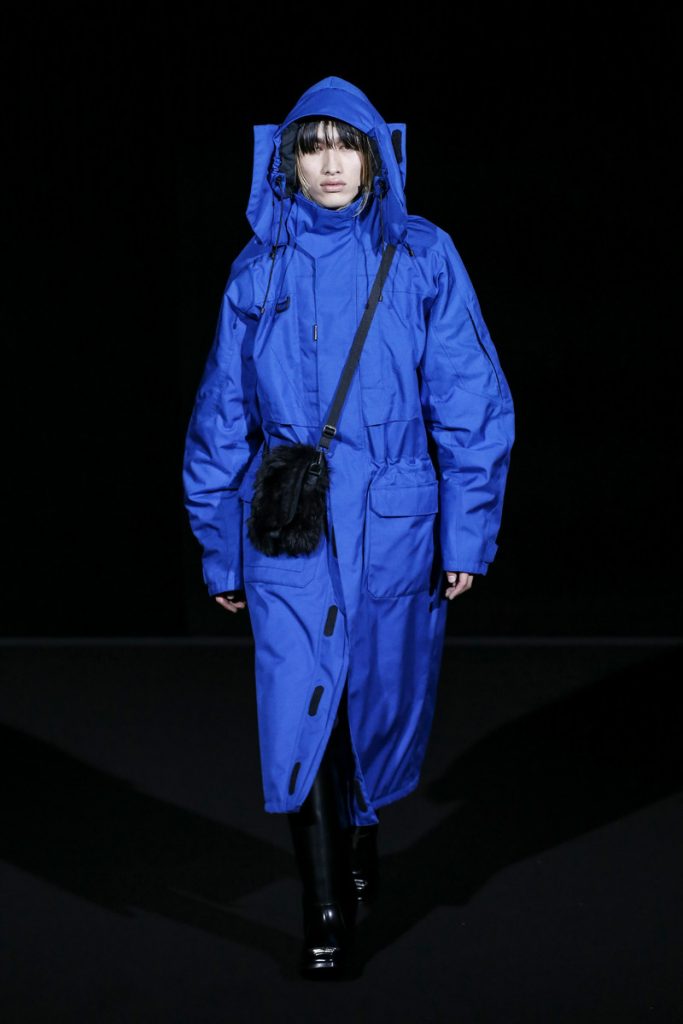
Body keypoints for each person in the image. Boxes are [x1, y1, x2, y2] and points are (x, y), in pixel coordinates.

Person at [182, 75, 515, 977]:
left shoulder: (421, 256)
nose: (330, 164)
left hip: (392, 522)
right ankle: (324, 907)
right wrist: (218, 544)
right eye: (311, 145)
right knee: (300, 700)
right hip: (288, 525)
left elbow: (471, 403)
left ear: (375, 155)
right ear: (284, 160)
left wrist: (466, 534)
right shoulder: (258, 268)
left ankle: (359, 835)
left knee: (372, 694)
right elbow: (221, 414)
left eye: (346, 144)